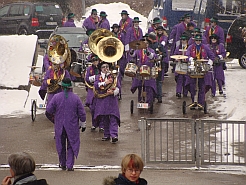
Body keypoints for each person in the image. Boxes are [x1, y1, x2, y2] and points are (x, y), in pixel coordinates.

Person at [46, 78, 86, 171]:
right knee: (72, 144)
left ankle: (62, 163)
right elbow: (82, 113)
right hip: (72, 126)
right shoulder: (76, 98)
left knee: (61, 144)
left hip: (60, 125)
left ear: (61, 86)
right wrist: (83, 123)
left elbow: (49, 110)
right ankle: (70, 165)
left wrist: (55, 118)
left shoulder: (56, 97)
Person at [93, 61, 120, 143]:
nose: (105, 69)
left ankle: (114, 135)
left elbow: (118, 87)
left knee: (113, 118)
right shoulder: (98, 77)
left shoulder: (113, 77)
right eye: (103, 67)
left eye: (107, 67)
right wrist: (105, 83)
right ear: (100, 69)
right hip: (103, 100)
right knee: (104, 118)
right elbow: (96, 85)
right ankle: (106, 135)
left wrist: (113, 92)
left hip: (111, 100)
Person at [186, 34, 215, 109]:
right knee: (192, 85)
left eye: (199, 40)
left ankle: (201, 102)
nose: (198, 42)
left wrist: (209, 63)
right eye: (197, 40)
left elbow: (212, 56)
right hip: (193, 69)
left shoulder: (205, 47)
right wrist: (190, 59)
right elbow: (187, 55)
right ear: (194, 40)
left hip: (202, 69)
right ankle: (193, 102)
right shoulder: (191, 47)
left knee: (202, 86)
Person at [130, 37, 157, 113]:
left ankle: (149, 102)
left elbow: (154, 56)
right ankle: (140, 100)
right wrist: (132, 51)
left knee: (149, 87)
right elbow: (133, 55)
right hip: (139, 71)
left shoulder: (151, 51)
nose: (145, 45)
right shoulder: (138, 51)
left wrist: (148, 53)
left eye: (147, 43)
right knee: (140, 86)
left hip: (148, 70)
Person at [84, 54, 103, 132]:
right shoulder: (89, 69)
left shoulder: (101, 68)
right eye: (94, 61)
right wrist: (95, 77)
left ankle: (101, 125)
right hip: (92, 89)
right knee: (92, 108)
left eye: (96, 61)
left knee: (101, 108)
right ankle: (94, 124)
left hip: (100, 89)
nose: (95, 62)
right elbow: (87, 79)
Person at [148, 31, 166, 103]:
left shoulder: (159, 46)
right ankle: (156, 96)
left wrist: (160, 55)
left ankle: (159, 96)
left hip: (157, 65)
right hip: (153, 65)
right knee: (157, 82)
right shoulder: (150, 45)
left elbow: (164, 54)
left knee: (158, 81)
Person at [173, 34, 190, 98]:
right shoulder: (178, 47)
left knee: (186, 79)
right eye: (182, 40)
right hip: (179, 65)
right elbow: (175, 54)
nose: (183, 41)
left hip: (186, 65)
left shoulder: (189, 47)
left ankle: (185, 92)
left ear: (187, 40)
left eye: (184, 40)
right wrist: (176, 58)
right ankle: (178, 92)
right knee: (179, 79)